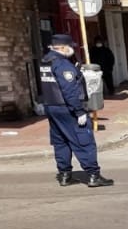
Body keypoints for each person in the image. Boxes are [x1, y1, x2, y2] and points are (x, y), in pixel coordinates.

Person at [38, 34, 113, 187]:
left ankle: (65, 174)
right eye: (70, 47)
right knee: (84, 141)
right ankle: (93, 175)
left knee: (61, 142)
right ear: (63, 48)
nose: (72, 49)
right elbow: (69, 90)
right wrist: (79, 111)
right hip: (67, 108)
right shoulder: (62, 64)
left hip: (52, 107)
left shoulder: (46, 61)